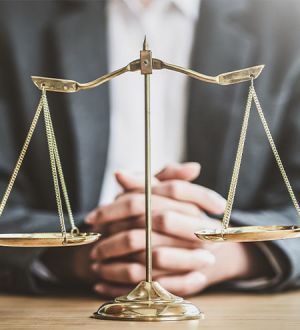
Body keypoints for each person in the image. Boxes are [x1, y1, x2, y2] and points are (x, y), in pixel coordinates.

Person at [0, 0, 299, 296]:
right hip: (63, 305)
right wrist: (84, 253)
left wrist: (230, 255)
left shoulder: (287, 19)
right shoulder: (14, 17)